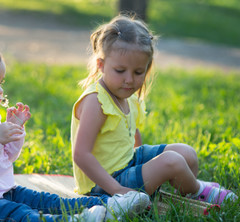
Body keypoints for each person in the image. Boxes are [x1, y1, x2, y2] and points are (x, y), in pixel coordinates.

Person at [0, 37, 151, 222]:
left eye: (0, 83)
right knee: (19, 215)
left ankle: (112, 204)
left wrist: (14, 131)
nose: (0, 91)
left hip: (0, 190)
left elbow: (5, 159)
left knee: (45, 200)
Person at [71, 15, 238, 205]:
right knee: (172, 162)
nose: (129, 79)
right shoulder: (96, 101)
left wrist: (144, 168)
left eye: (138, 72)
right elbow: (81, 155)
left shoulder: (126, 95)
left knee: (187, 153)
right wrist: (118, 189)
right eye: (120, 71)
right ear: (101, 65)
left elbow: (132, 132)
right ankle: (198, 191)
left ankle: (189, 188)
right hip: (104, 185)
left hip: (127, 163)